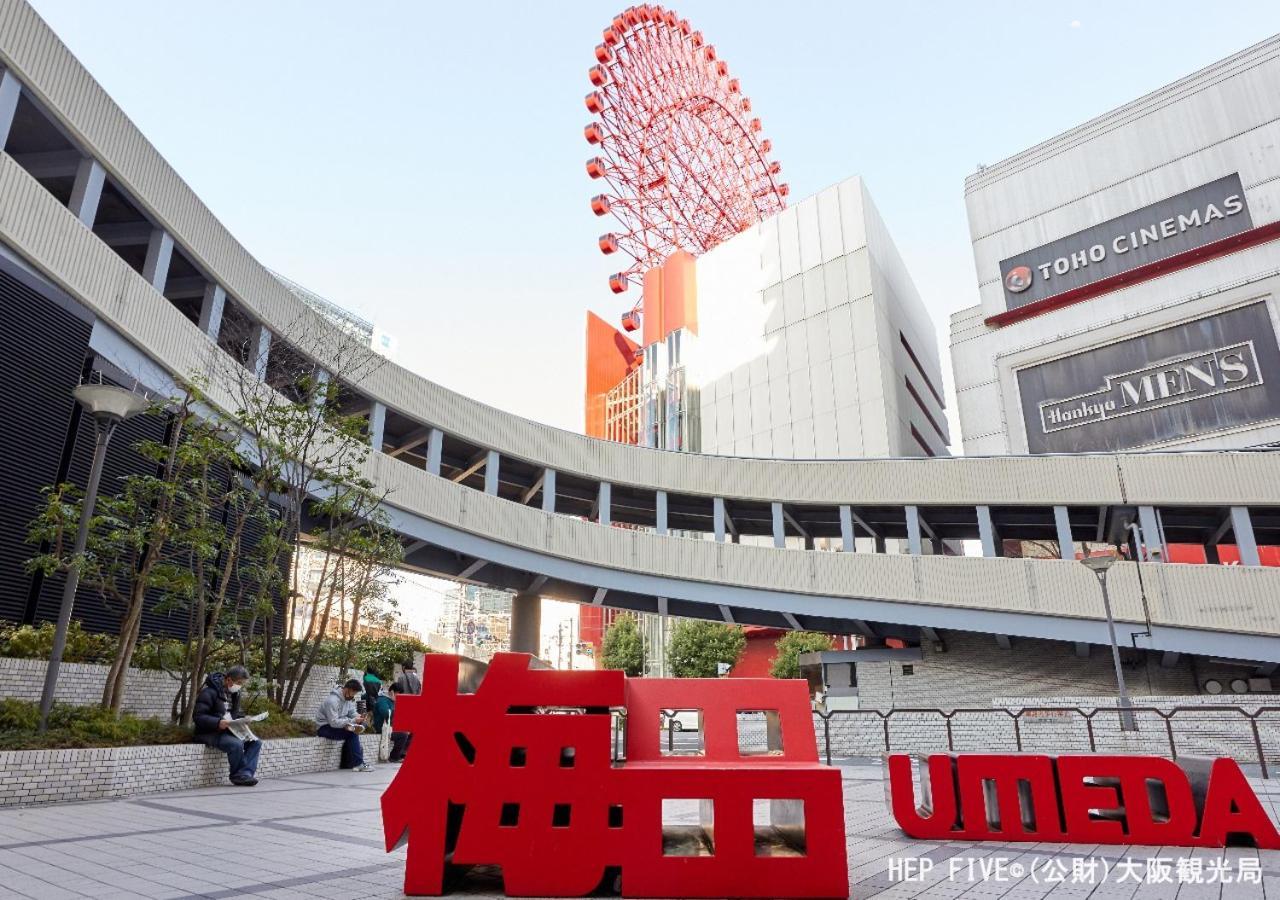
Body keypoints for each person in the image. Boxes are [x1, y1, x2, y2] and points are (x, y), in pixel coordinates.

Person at [192, 665, 261, 787]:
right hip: (209, 732)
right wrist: (217, 722)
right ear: (228, 679)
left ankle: (245, 773)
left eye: (242, 684)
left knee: (256, 742)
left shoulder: (234, 694)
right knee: (236, 744)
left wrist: (244, 718)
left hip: (229, 730)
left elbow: (231, 714)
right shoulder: (209, 693)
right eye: (238, 683)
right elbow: (198, 717)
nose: (239, 686)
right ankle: (236, 775)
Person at [315, 678, 374, 772]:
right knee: (352, 733)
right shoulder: (332, 701)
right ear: (347, 689)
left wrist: (361, 717)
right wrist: (353, 720)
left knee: (353, 731)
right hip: (324, 727)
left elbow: (352, 713)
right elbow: (333, 722)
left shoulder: (348, 699)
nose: (353, 696)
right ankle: (358, 764)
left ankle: (357, 763)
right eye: (353, 693)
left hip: (337, 725)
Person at [383, 683, 413, 763]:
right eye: (398, 693)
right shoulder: (383, 700)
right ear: (392, 692)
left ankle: (403, 754)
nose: (399, 695)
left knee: (412, 731)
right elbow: (386, 713)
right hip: (385, 729)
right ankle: (394, 757)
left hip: (393, 727)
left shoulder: (394, 702)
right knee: (403, 734)